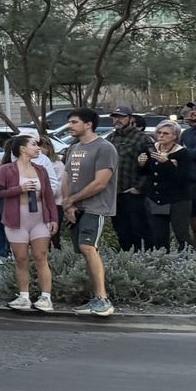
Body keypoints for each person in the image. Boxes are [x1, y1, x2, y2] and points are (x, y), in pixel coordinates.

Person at [59, 109, 118, 317]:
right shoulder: (74, 148)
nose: (70, 126)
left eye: (74, 122)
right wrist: (68, 204)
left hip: (96, 206)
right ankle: (95, 298)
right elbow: (66, 177)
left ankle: (103, 299)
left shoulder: (104, 148)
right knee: (85, 251)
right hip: (77, 207)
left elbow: (100, 182)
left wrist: (72, 200)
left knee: (88, 247)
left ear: (88, 124)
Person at [0, 134, 57, 313]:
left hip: (39, 220)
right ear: (22, 148)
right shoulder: (6, 169)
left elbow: (49, 196)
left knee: (41, 257)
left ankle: (46, 297)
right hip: (16, 221)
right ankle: (24, 296)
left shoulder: (41, 169)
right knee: (21, 259)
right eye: (34, 145)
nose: (38, 148)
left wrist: (53, 218)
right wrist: (18, 189)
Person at [139, 121, 193, 251]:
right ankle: (162, 262)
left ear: (174, 136)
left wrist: (167, 163)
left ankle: (188, 262)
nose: (161, 136)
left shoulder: (182, 153)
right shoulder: (151, 149)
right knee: (159, 235)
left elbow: (184, 179)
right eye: (159, 132)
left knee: (181, 233)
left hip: (178, 199)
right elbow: (145, 173)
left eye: (165, 133)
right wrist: (141, 164)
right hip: (156, 198)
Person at [104, 107, 151, 251]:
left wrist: (138, 187)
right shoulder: (110, 138)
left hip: (133, 192)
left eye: (121, 117)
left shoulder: (142, 138)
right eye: (114, 117)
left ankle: (145, 259)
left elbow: (150, 166)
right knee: (120, 229)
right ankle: (126, 259)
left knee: (139, 229)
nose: (117, 120)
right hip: (114, 193)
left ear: (130, 119)